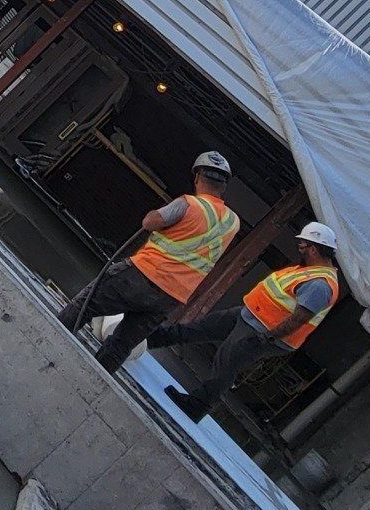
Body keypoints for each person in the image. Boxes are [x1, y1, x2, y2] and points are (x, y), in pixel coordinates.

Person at [59, 150, 240, 373]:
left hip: (141, 276)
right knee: (121, 346)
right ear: (224, 184)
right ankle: (94, 384)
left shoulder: (189, 204)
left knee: (83, 307)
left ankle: (50, 340)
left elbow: (150, 222)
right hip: (171, 296)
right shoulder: (233, 222)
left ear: (198, 177)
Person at [151, 223, 343, 421]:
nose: (300, 248)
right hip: (250, 316)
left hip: (264, 331)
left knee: (227, 361)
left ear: (313, 249)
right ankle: (150, 339)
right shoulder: (309, 271)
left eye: (303, 245)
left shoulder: (320, 285)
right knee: (203, 328)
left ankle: (197, 405)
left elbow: (298, 320)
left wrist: (267, 338)